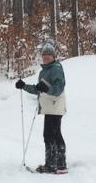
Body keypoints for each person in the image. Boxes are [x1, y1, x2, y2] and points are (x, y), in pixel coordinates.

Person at [15, 42, 67, 173]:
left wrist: (46, 87)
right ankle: (58, 164)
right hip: (49, 107)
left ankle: (54, 164)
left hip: (55, 106)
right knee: (54, 134)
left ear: (54, 56)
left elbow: (58, 89)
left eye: (49, 55)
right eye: (44, 55)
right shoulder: (45, 71)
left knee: (51, 135)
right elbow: (39, 89)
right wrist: (24, 86)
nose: (46, 57)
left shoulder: (56, 68)